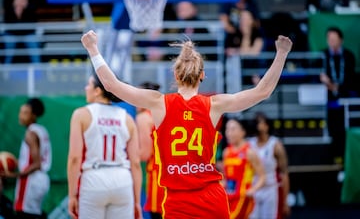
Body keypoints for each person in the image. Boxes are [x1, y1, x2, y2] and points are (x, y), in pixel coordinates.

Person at [81, 29, 292, 218]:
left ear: (175, 74)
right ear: (202, 76)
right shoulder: (214, 105)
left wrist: (93, 49)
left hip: (177, 201)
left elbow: (111, 85)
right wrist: (281, 53)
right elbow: (262, 91)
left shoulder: (158, 103)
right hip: (212, 199)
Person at [67, 73, 142, 219]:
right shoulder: (127, 118)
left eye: (89, 84)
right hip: (122, 180)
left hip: (93, 180)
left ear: (97, 91)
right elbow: (136, 163)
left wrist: (72, 196)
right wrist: (137, 201)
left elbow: (75, 158)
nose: (86, 88)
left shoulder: (81, 114)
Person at [1, 98, 52, 219]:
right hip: (42, 179)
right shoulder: (42, 130)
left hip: (31, 180)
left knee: (24, 213)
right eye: (20, 112)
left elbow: (36, 164)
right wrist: (17, 162)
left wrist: (13, 175)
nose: (20, 116)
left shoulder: (30, 133)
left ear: (34, 115)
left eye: (25, 113)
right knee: (33, 213)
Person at [319, 26, 356, 164]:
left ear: (341, 40)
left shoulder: (349, 56)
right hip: (328, 101)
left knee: (345, 131)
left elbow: (351, 79)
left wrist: (335, 86)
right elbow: (318, 77)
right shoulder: (323, 55)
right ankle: (333, 160)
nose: (332, 42)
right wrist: (326, 83)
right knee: (332, 131)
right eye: (329, 39)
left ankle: (346, 160)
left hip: (346, 99)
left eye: (334, 39)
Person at [248, 112, 290, 219]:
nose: (259, 126)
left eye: (261, 123)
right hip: (254, 188)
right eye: (257, 123)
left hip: (270, 189)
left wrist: (285, 201)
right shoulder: (249, 144)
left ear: (267, 126)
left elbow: (284, 174)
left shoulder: (275, 145)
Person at [222, 118, 266, 219]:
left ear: (242, 132)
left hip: (243, 197)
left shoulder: (249, 152)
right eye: (227, 129)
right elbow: (225, 177)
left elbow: (262, 176)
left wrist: (253, 189)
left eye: (233, 129)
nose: (229, 133)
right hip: (228, 197)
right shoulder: (226, 152)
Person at [136, 81, 165, 219]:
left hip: (157, 175)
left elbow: (144, 154)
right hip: (174, 172)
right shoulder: (163, 113)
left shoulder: (143, 118)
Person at [2, 0, 45, 64]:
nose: (20, 2)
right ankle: (5, 70)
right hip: (12, 34)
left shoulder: (30, 9)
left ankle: (38, 70)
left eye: (23, 0)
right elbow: (8, 24)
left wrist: (22, 11)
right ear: (14, 0)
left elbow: (32, 25)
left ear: (26, 1)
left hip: (28, 34)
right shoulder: (9, 9)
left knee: (33, 44)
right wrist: (17, 13)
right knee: (9, 44)